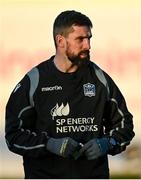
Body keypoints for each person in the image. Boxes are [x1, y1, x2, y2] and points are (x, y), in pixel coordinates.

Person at [5, 10, 135, 179]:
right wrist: (49, 144)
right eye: (80, 39)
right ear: (61, 41)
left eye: (89, 38)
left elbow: (125, 125)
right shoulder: (35, 81)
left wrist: (106, 143)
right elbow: (13, 135)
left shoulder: (99, 78)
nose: (88, 45)